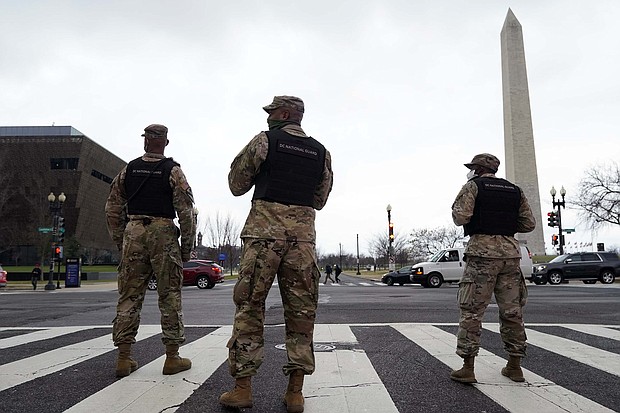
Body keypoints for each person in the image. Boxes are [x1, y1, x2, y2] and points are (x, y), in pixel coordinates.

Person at [220, 96, 333, 412]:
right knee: (301, 315)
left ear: (284, 114)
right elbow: (320, 198)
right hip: (302, 243)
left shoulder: (264, 141)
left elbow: (237, 184)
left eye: (272, 113)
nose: (269, 118)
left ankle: (243, 388)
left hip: (263, 238)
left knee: (250, 308)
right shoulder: (321, 152)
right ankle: (294, 393)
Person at [105, 124, 196, 378]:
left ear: (146, 142)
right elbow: (186, 214)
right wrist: (186, 249)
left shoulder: (129, 169)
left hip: (134, 230)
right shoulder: (173, 171)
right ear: (165, 143)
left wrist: (121, 239)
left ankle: (123, 357)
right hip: (163, 233)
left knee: (129, 297)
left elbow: (112, 208)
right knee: (169, 296)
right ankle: (172, 357)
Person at [450, 153, 536, 384]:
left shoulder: (473, 187)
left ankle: (468, 367)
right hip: (510, 254)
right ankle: (514, 366)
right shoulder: (515, 190)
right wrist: (505, 225)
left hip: (482, 254)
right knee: (512, 311)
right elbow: (529, 223)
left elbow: (461, 216)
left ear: (477, 169)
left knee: (472, 310)